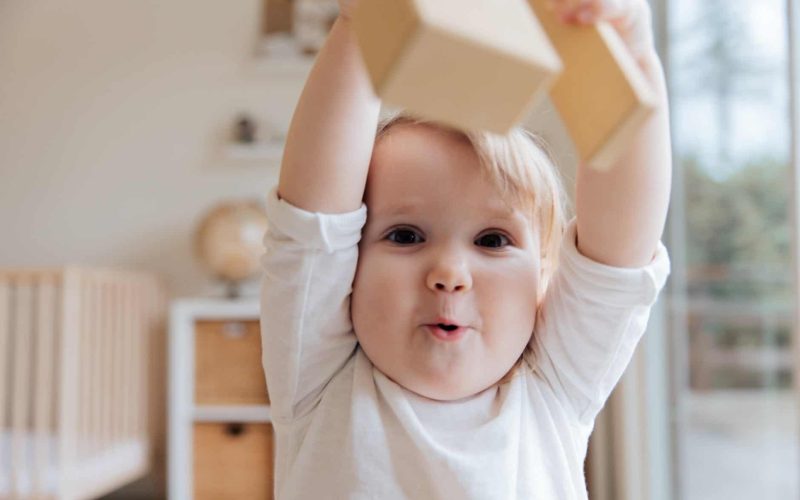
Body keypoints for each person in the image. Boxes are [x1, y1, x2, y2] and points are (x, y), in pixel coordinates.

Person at [259, 0, 672, 497]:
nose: (450, 273)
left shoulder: (554, 385)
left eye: (493, 241)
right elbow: (312, 225)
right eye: (406, 235)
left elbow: (620, 251)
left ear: (543, 279)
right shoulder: (321, 378)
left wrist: (632, 53)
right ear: (349, 269)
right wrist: (364, 19)